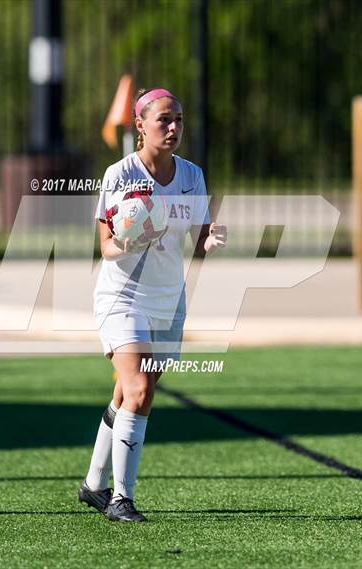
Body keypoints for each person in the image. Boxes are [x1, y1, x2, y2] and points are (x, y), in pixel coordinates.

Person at [78, 87, 227, 522]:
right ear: (139, 126)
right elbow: (105, 247)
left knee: (129, 393)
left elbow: (200, 236)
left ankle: (92, 486)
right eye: (164, 119)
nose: (174, 127)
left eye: (179, 118)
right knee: (140, 390)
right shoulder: (118, 174)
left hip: (167, 300)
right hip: (122, 296)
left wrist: (211, 238)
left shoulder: (192, 176)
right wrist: (127, 241)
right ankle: (121, 499)